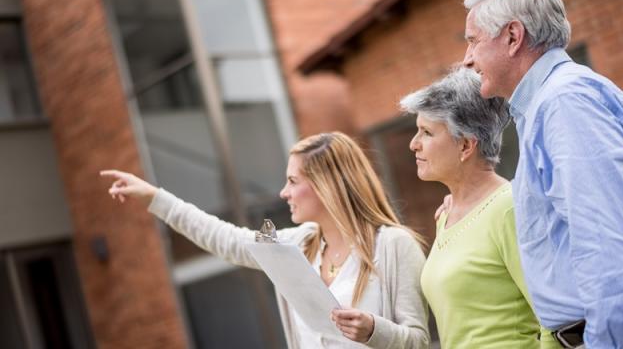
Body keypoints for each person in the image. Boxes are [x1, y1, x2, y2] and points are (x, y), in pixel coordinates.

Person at [100, 132, 430, 349]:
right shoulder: (296, 246)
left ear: (326, 184)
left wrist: (374, 331)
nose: (283, 193)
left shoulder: (393, 246)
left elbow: (418, 341)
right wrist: (155, 199)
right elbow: (225, 238)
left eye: (292, 181)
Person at [460, 0, 623, 348]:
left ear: (513, 36)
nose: (467, 59)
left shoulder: (564, 102)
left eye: (473, 42)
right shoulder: (550, 103)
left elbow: (611, 249)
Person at [401, 67, 557, 348]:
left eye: (426, 133)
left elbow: (555, 321)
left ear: (465, 146)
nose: (414, 144)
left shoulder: (509, 208)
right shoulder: (447, 214)